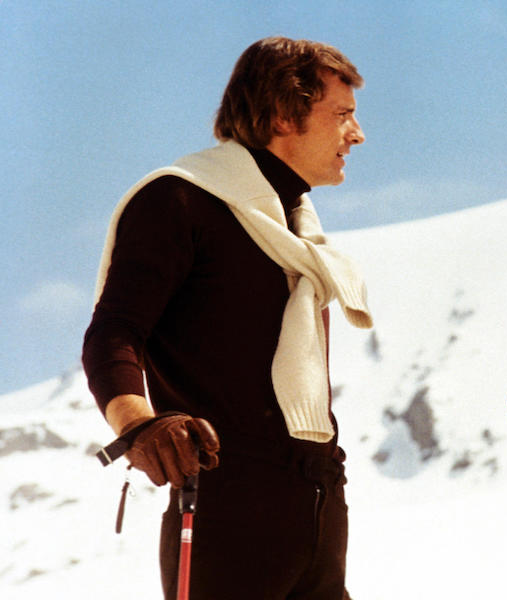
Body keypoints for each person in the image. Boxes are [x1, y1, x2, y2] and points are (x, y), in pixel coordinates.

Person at [83, 36, 372, 600]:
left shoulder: (300, 239)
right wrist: (138, 424)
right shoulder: (179, 202)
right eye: (341, 116)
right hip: (224, 511)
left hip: (317, 505)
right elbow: (115, 329)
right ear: (285, 115)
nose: (355, 134)